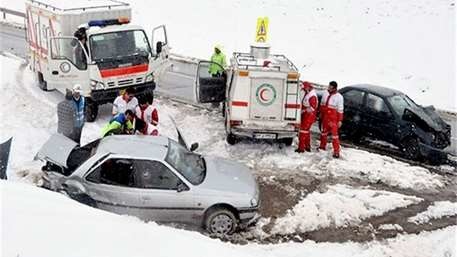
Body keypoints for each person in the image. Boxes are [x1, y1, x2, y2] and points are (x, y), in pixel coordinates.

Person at [318, 81, 344, 158]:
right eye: (328, 87)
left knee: (334, 136)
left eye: (330, 87)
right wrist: (320, 114)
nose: (329, 88)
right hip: (325, 117)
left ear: (334, 88)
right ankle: (322, 146)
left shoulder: (339, 97)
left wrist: (340, 120)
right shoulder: (326, 94)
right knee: (324, 132)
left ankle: (336, 151)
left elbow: (340, 110)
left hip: (333, 119)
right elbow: (322, 105)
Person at [295, 81, 318, 153]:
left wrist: (304, 111)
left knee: (303, 131)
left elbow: (312, 108)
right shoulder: (309, 93)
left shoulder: (312, 96)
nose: (304, 90)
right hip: (307, 115)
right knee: (306, 132)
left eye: (305, 88)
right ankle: (307, 147)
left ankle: (301, 148)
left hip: (309, 116)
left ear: (308, 87)